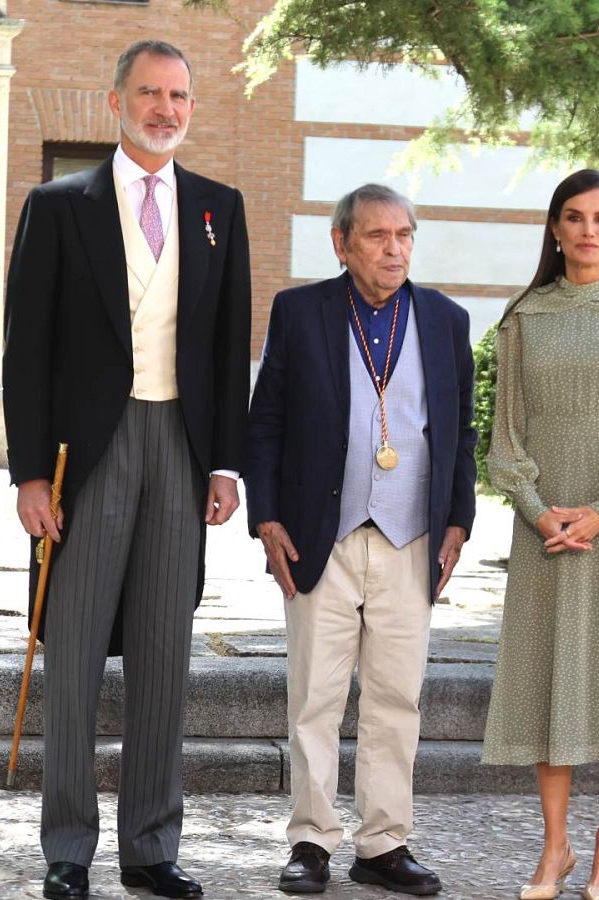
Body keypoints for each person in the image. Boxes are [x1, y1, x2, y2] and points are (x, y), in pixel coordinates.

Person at [0, 39, 251, 900]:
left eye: (179, 95)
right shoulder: (60, 205)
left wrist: (225, 464)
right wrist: (30, 475)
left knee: (162, 654)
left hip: (180, 450)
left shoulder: (220, 209)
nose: (166, 109)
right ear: (116, 102)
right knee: (72, 656)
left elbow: (225, 349)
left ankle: (151, 848)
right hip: (88, 455)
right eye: (149, 92)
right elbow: (25, 350)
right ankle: (68, 847)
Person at [244, 183, 478, 896]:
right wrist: (267, 516)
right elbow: (268, 425)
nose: (394, 248)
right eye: (377, 236)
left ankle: (382, 844)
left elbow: (461, 431)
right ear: (342, 243)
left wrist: (459, 522)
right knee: (315, 694)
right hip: (323, 534)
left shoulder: (444, 319)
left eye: (404, 235)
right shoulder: (300, 312)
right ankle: (312, 840)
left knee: (395, 697)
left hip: (412, 536)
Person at [480, 169, 599, 900]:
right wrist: (538, 510)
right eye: (574, 217)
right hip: (543, 527)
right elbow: (507, 434)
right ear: (554, 230)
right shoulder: (524, 315)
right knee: (546, 677)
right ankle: (553, 846)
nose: (589, 230)